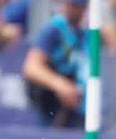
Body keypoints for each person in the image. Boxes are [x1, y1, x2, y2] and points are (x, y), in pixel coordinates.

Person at [22, 0, 88, 128]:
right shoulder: (54, 29)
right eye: (72, 5)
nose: (74, 9)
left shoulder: (87, 32)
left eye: (79, 6)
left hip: (79, 103)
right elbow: (31, 67)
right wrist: (60, 85)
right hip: (51, 103)